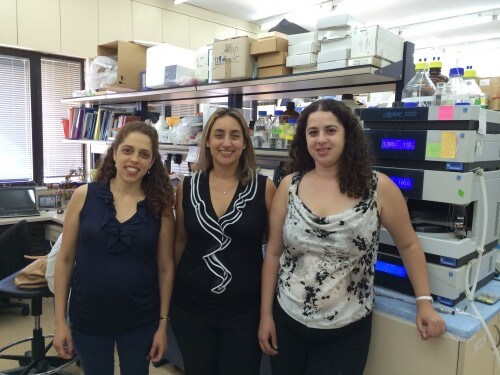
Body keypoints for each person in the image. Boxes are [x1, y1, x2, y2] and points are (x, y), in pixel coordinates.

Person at [258, 99, 445, 375]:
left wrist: (424, 303)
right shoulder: (289, 186)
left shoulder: (377, 187)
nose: (321, 139)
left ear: (348, 134)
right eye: (313, 132)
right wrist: (266, 316)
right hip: (288, 321)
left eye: (330, 130)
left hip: (345, 332)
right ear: (304, 139)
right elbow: (273, 253)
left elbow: (408, 244)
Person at [53, 121, 176, 375]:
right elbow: (64, 261)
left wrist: (163, 324)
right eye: (128, 150)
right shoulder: (84, 196)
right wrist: (59, 321)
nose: (135, 160)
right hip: (89, 318)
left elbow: (165, 268)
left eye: (144, 154)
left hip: (140, 321)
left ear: (152, 162)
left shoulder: (160, 207)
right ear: (116, 152)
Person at [171, 108, 276, 375]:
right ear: (207, 140)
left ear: (244, 143)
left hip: (245, 312)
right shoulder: (188, 186)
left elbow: (274, 254)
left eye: (234, 136)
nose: (226, 143)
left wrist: (267, 313)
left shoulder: (265, 188)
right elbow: (180, 242)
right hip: (191, 308)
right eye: (219, 135)